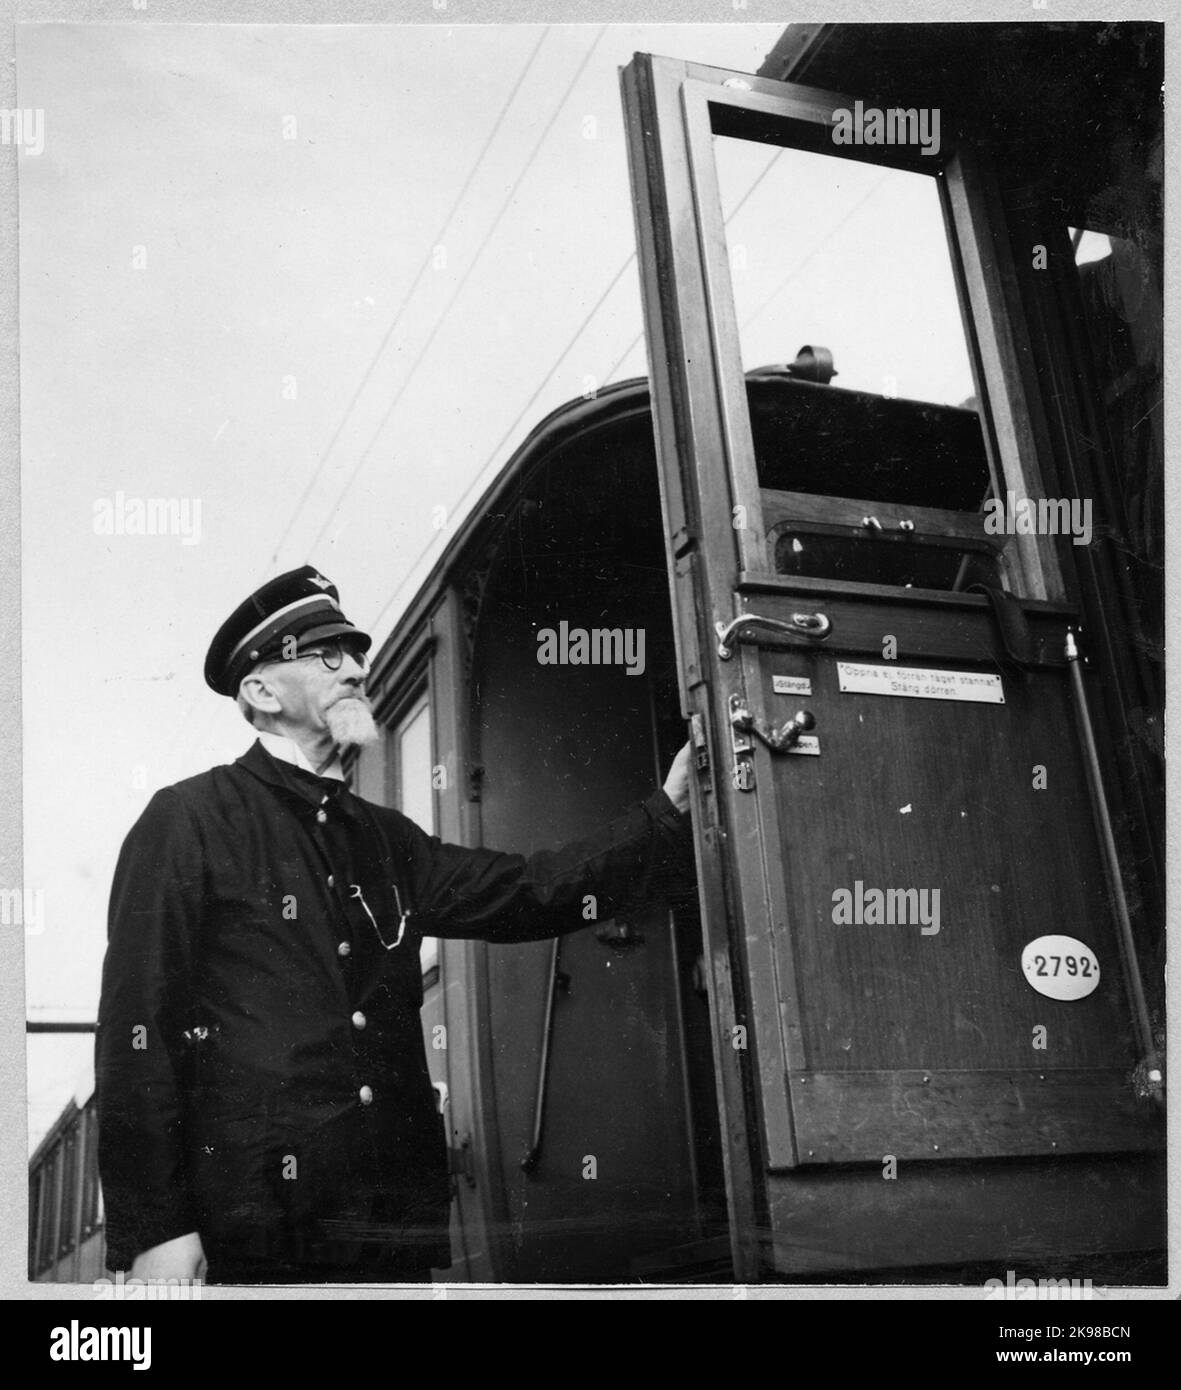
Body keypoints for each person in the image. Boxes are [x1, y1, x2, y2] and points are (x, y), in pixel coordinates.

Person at [95, 565, 693, 1284]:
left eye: (355, 653)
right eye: (325, 654)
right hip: (259, 1227)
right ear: (260, 691)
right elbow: (137, 1032)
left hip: (390, 1223)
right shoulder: (188, 820)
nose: (354, 669)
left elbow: (526, 890)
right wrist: (156, 1228)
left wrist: (664, 811)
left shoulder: (384, 838)